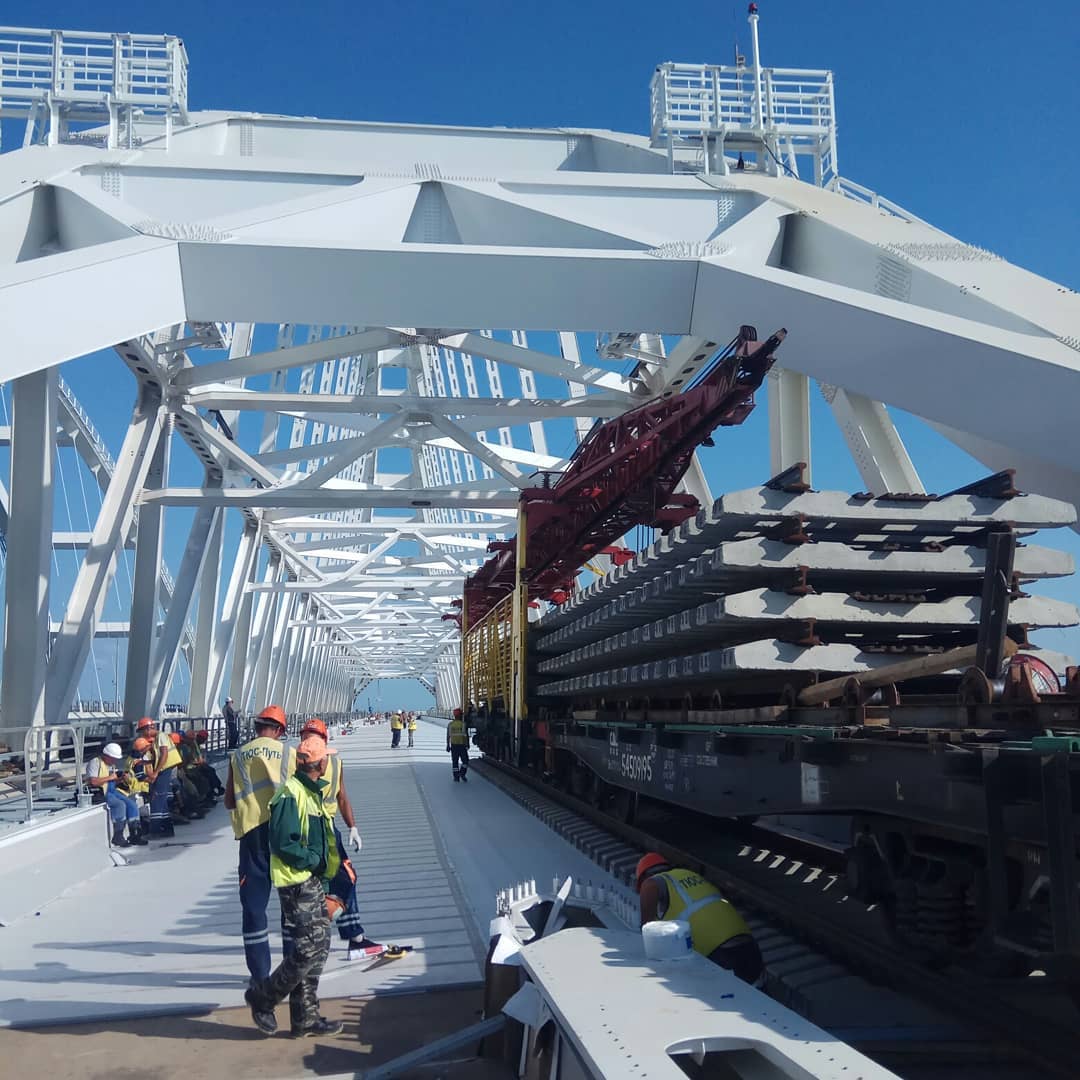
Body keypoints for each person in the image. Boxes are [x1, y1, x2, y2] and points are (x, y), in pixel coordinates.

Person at [244, 735, 344, 1038]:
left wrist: (324, 876)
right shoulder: (292, 793)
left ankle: (305, 1019)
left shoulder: (310, 792)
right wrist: (312, 860)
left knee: (318, 950)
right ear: (317, 762)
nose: (329, 761)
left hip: (311, 881)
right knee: (305, 952)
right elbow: (283, 843)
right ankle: (263, 998)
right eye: (326, 756)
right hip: (297, 883)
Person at [224, 704, 296, 987]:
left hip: (253, 837)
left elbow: (229, 801)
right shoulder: (290, 754)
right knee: (291, 906)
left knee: (254, 909)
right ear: (280, 730)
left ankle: (260, 976)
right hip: (286, 836)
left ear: (256, 728)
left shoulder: (238, 756)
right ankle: (292, 972)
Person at [299, 718, 378, 960]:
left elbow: (341, 796)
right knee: (344, 879)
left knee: (329, 882)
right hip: (319, 831)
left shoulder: (331, 763)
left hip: (323, 829)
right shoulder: (298, 763)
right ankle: (352, 936)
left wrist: (352, 826)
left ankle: (345, 935)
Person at [635, 853, 764, 985]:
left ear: (644, 877)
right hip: (750, 947)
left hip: (720, 954)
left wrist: (644, 935)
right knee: (759, 1000)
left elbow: (647, 929)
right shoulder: (688, 875)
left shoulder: (652, 883)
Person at [85, 741, 147, 847]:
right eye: (113, 758)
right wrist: (110, 777)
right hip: (101, 793)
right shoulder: (95, 763)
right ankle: (118, 836)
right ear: (107, 755)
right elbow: (93, 782)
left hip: (112, 790)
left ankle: (135, 834)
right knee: (119, 805)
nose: (115, 760)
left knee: (132, 805)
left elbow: (112, 781)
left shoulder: (111, 765)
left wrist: (120, 779)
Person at [137, 717, 184, 837]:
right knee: (162, 800)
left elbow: (164, 754)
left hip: (165, 769)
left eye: (142, 731)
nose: (143, 735)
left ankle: (155, 830)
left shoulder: (161, 736)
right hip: (165, 769)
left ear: (148, 729)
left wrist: (156, 771)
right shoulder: (159, 738)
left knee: (157, 798)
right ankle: (167, 828)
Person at [446, 708, 469, 782]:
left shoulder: (450, 724)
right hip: (462, 745)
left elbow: (448, 736)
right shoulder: (463, 724)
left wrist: (448, 745)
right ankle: (462, 773)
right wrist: (467, 744)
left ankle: (456, 777)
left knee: (455, 761)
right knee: (465, 761)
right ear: (460, 715)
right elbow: (466, 735)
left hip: (454, 745)